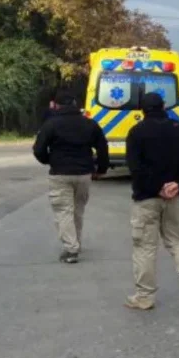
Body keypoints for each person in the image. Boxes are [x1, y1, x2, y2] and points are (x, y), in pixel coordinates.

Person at [124, 92, 179, 311]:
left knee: (145, 246)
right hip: (176, 197)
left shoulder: (136, 132)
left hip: (146, 198)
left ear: (142, 110)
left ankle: (144, 297)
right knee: (178, 241)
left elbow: (135, 168)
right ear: (163, 107)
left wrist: (156, 187)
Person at [32, 91, 109, 263]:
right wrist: (101, 169)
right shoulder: (89, 124)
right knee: (77, 210)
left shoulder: (51, 124)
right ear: (75, 104)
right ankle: (76, 243)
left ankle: (71, 249)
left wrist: (50, 160)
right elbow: (102, 147)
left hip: (60, 174)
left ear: (56, 105)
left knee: (63, 211)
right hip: (84, 174)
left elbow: (38, 149)